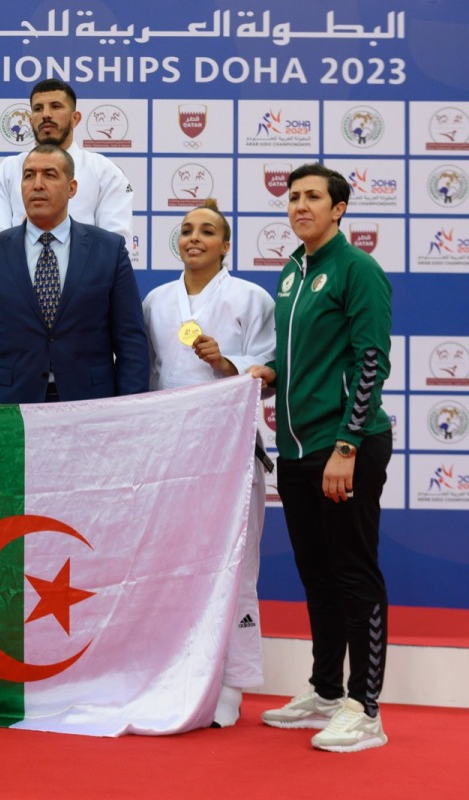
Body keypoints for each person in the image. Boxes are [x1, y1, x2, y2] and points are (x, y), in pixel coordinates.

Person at [249, 163, 393, 752]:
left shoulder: (358, 270)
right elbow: (301, 358)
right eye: (293, 197)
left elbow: (369, 363)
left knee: (355, 575)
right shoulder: (292, 271)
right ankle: (327, 692)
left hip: (345, 448)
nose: (299, 205)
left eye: (313, 197)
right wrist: (267, 374)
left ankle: (367, 709)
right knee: (318, 574)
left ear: (339, 209)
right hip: (299, 450)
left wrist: (346, 446)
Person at [142, 199, 275, 727]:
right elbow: (148, 374)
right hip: (171, 448)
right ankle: (176, 669)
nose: (194, 238)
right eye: (187, 230)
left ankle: (229, 683)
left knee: (236, 564)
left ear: (226, 245)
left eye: (207, 231)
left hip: (231, 447)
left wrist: (227, 363)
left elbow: (268, 368)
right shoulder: (155, 300)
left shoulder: (251, 297)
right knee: (174, 564)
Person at [0, 144, 148, 403]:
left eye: (49, 174)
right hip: (12, 407)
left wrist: (131, 410)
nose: (37, 184)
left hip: (92, 405)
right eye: (29, 175)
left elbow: (131, 342)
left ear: (72, 188)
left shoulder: (109, 250)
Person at [0, 79, 132, 242]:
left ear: (75, 118)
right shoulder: (2, 174)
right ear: (31, 121)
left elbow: (116, 248)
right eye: (38, 108)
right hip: (18, 267)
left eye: (56, 106)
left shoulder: (107, 173)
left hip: (87, 267)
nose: (46, 114)